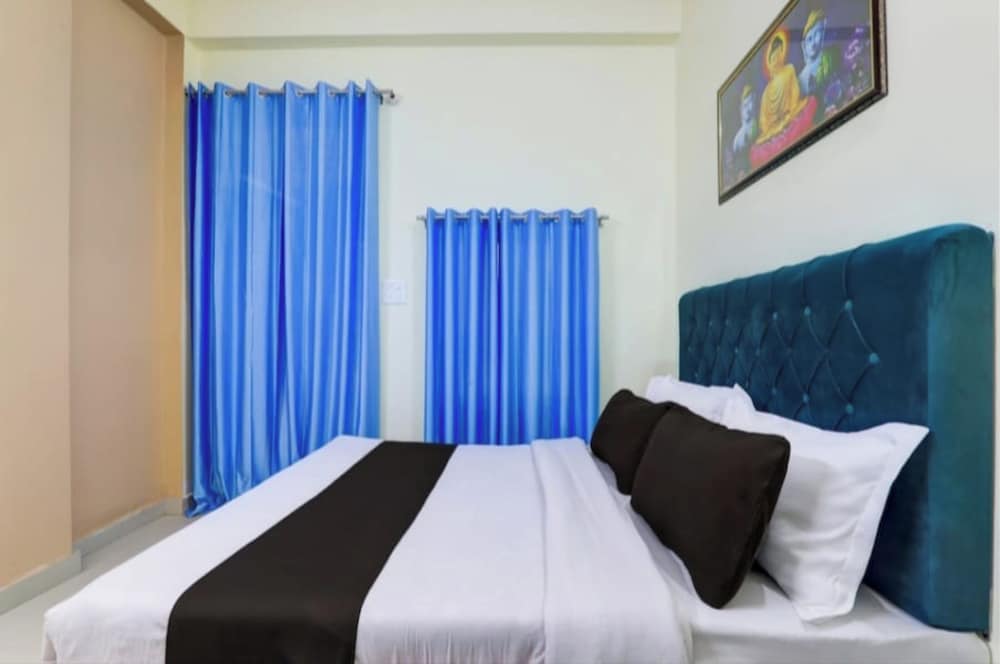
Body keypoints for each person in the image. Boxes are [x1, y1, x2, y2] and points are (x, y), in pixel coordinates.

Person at [798, 8, 836, 97]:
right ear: (803, 45)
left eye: (816, 35)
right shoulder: (801, 78)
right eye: (809, 39)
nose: (813, 44)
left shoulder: (831, 58)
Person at [732, 85, 757, 153]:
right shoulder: (737, 140)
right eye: (745, 105)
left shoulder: (759, 126)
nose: (749, 109)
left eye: (752, 103)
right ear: (740, 109)